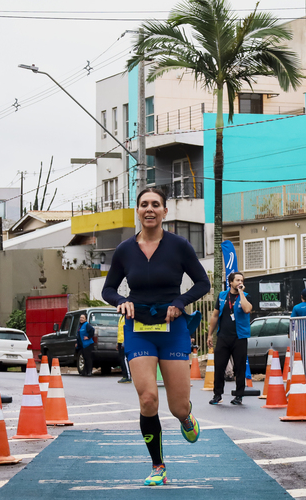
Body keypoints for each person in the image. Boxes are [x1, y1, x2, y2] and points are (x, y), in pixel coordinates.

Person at [102, 187, 211, 486]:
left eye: (155, 205)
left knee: (177, 406)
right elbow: (108, 289)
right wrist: (119, 302)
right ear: (137, 210)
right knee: (148, 398)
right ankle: (157, 465)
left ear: (165, 211)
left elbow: (203, 283)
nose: (149, 209)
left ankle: (186, 418)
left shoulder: (179, 246)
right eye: (144, 205)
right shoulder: (125, 250)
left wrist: (179, 303)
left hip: (172, 329)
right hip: (138, 330)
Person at [206, 271, 252, 406]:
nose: (240, 283)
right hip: (223, 336)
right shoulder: (222, 296)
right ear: (230, 282)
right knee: (219, 366)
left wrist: (241, 293)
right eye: (237, 280)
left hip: (239, 337)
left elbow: (247, 309)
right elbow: (215, 316)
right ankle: (217, 394)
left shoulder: (246, 296)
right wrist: (210, 334)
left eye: (242, 280)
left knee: (240, 367)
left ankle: (239, 395)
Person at [117, 314, 131, 383]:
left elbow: (128, 329)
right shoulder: (121, 317)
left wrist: (124, 342)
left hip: (124, 341)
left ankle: (128, 377)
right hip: (120, 341)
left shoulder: (127, 316)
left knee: (125, 359)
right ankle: (124, 375)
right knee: (121, 359)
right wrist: (118, 343)